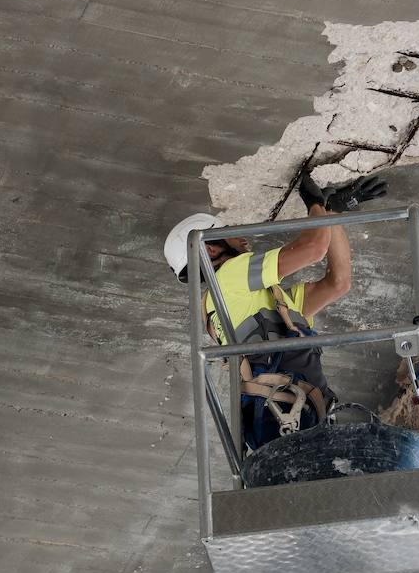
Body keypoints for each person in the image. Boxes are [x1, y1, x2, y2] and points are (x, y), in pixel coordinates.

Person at [164, 174, 388, 449]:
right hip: (289, 417)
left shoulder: (260, 303)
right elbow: (314, 248)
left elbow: (337, 283)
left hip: (287, 419)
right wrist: (315, 204)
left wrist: (332, 213)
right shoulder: (227, 277)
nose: (241, 236)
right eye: (230, 231)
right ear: (211, 249)